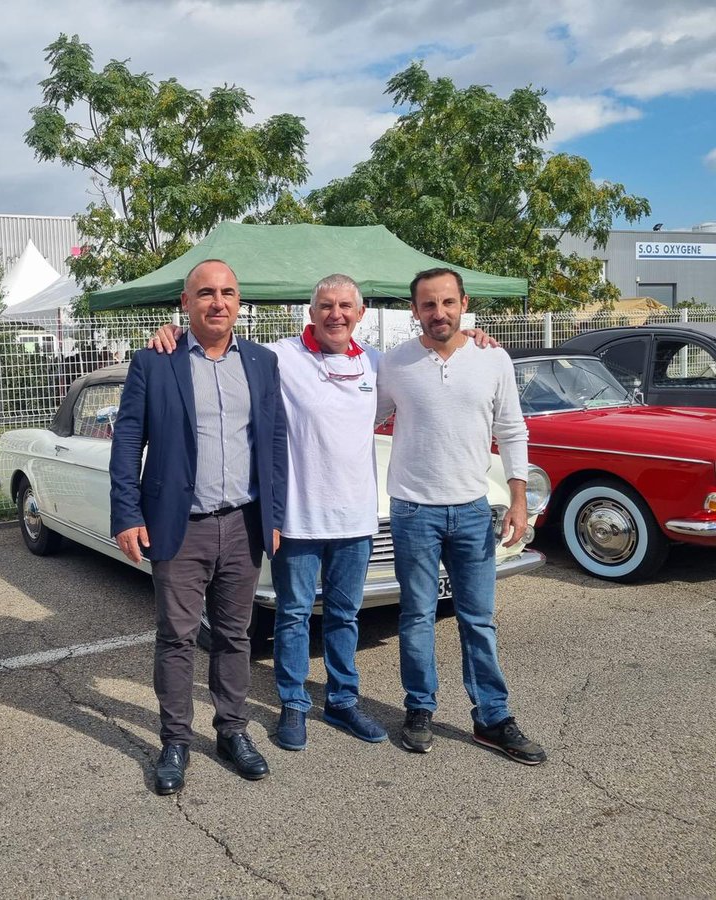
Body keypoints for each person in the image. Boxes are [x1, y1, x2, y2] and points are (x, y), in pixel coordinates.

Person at [150, 276, 502, 752]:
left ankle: (342, 700)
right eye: (325, 306)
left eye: (345, 306)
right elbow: (219, 340)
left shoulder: (380, 363)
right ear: (311, 313)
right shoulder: (280, 356)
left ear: (359, 314)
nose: (336, 314)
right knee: (294, 616)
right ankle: (294, 705)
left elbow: (435, 355)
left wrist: (477, 340)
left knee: (344, 616)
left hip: (355, 518)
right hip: (298, 517)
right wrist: (171, 331)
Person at [110, 259, 288, 795]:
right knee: (178, 638)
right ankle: (175, 740)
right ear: (185, 303)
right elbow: (127, 443)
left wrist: (274, 516)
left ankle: (232, 730)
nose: (218, 302)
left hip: (242, 523)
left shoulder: (261, 362)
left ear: (239, 302)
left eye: (228, 292)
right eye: (205, 292)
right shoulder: (155, 361)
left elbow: (274, 442)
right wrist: (127, 513)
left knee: (236, 635)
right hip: (178, 527)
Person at [376, 267, 546, 765]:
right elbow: (358, 416)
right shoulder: (394, 363)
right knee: (416, 617)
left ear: (464, 303)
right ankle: (419, 709)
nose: (439, 313)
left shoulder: (492, 358)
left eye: (448, 303)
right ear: (413, 310)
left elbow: (513, 430)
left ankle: (492, 717)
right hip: (413, 511)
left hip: (473, 509)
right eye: (428, 304)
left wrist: (519, 499)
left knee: (478, 619)